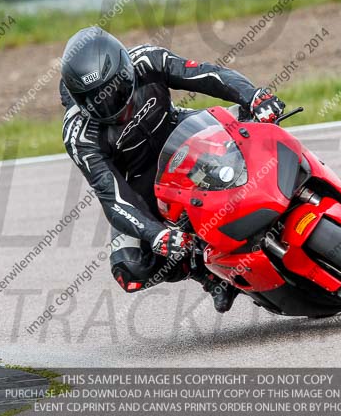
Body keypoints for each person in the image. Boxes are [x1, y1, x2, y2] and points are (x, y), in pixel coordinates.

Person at [60, 27, 286, 313]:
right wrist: (156, 234)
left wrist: (253, 96)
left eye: (116, 90)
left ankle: (302, 187)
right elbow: (111, 195)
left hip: (183, 132)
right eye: (96, 100)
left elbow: (208, 75)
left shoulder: (147, 60)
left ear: (125, 67)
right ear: (78, 99)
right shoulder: (78, 135)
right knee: (129, 268)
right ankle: (208, 275)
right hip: (141, 180)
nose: (112, 106)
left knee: (256, 126)